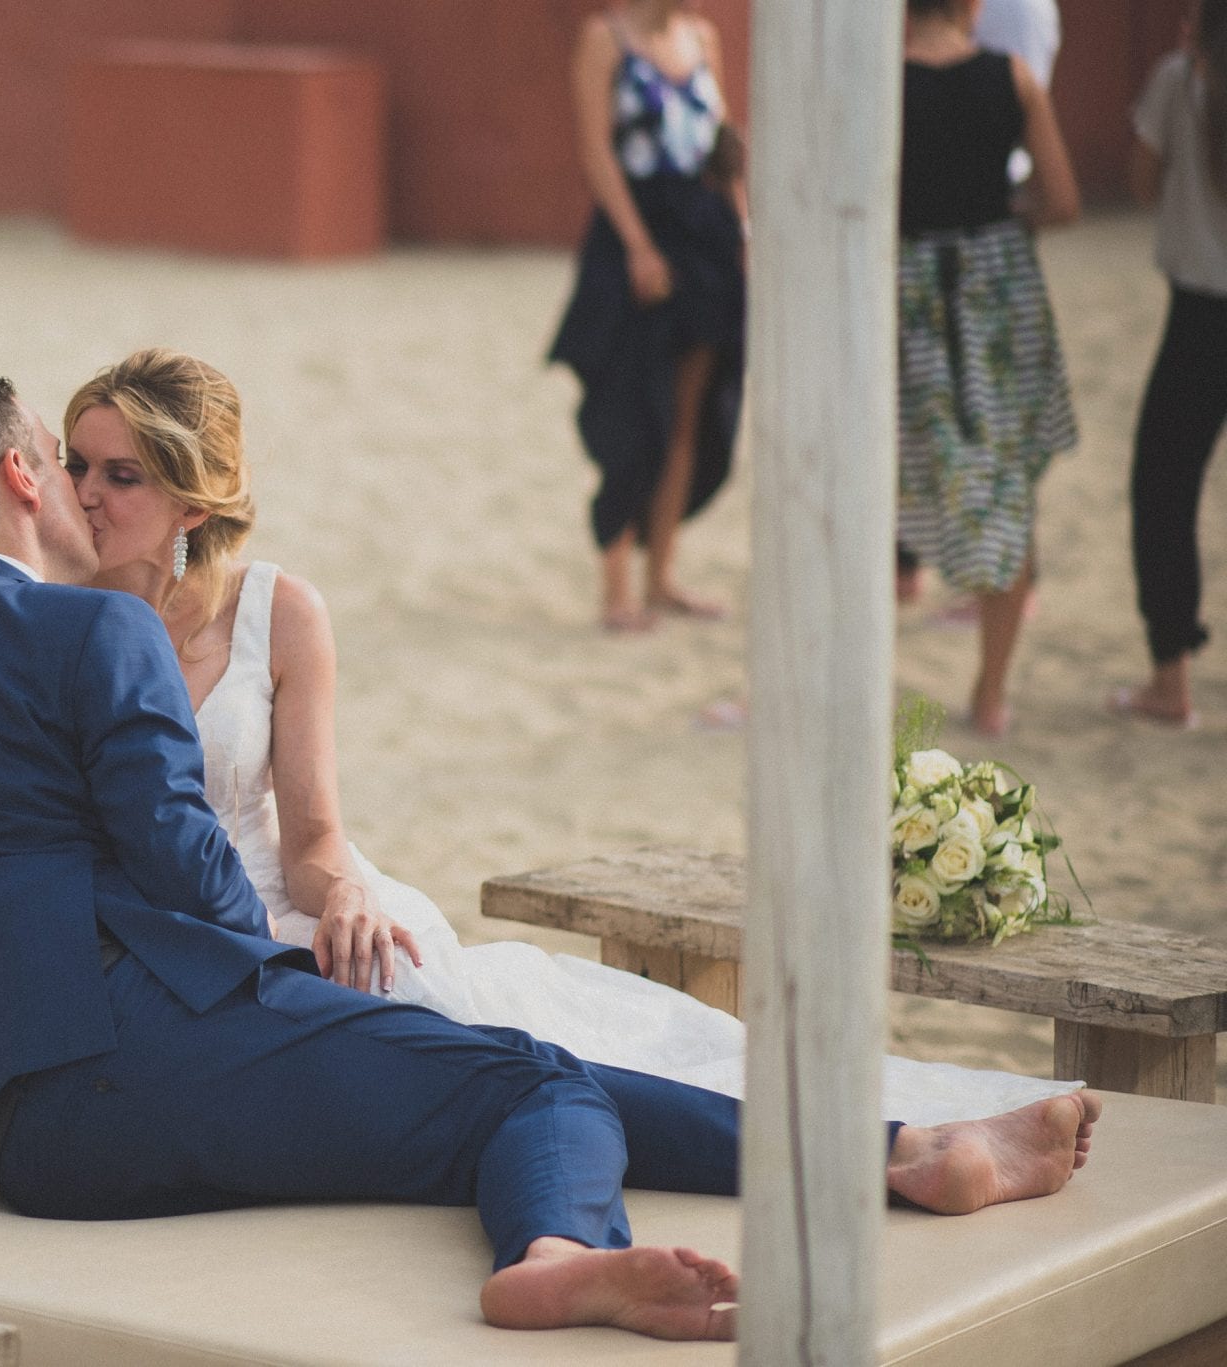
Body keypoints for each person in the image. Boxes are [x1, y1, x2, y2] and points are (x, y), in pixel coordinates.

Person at [0, 371, 1101, 1339]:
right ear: (19, 469)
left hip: (2, 1128)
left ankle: (901, 1155)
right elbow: (183, 864)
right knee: (523, 1076)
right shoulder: (94, 628)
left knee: (507, 1073)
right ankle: (550, 1255)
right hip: (136, 1051)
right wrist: (272, 978)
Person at [67, 347, 1080, 1126]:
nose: (82, 494)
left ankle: (824, 1123)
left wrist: (350, 896)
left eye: (119, 475)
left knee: (420, 986)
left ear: (191, 500)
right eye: (75, 465)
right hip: (151, 932)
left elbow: (313, 834)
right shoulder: (48, 614)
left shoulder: (280, 613)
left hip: (275, 900)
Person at [898, 0, 1080, 737]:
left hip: (907, 292)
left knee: (890, 474)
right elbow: (1062, 201)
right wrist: (1005, 219)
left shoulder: (882, 83)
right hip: (996, 291)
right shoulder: (1012, 77)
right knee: (1008, 479)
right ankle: (992, 693)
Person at [549, 0, 746, 632]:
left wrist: (743, 232)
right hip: (635, 236)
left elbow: (723, 146)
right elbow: (595, 149)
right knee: (634, 410)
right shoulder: (605, 39)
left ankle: (661, 579)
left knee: (690, 414)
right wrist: (637, 246)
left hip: (705, 239)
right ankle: (616, 592)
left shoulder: (702, 36)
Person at [1110, 0, 1227, 730]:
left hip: (1200, 315)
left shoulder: (1179, 81)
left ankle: (1170, 677)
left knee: (1164, 488)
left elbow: (1141, 185)